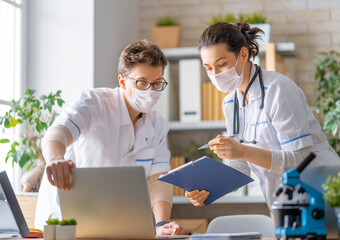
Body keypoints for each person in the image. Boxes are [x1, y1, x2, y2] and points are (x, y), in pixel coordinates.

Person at [35, 39, 188, 235]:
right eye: (142, 83)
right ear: (123, 81)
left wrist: (161, 224)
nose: (151, 91)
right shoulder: (95, 103)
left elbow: (158, 179)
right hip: (66, 222)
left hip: (117, 223)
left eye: (157, 83)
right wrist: (56, 160)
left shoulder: (157, 124)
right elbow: (57, 132)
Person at [185, 22, 340, 211]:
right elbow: (239, 169)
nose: (215, 74)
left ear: (243, 54)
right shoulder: (230, 104)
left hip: (324, 190)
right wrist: (207, 188)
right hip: (286, 203)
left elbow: (301, 158)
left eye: (222, 64)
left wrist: (242, 150)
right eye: (208, 68)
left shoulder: (278, 89)